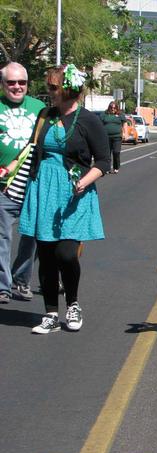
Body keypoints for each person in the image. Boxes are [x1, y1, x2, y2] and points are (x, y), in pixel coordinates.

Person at [19, 65, 110, 334]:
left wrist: (84, 180)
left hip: (74, 192)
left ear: (68, 89)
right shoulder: (44, 116)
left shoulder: (88, 120)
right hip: (43, 187)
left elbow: (104, 161)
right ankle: (49, 313)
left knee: (66, 253)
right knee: (46, 256)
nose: (49, 93)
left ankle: (72, 304)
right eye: (48, 87)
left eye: (53, 87)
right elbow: (31, 150)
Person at [0, 62, 45, 304]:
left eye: (22, 82)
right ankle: (2, 287)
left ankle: (21, 279)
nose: (17, 87)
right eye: (11, 82)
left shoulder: (40, 108)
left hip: (32, 186)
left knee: (31, 236)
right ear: (3, 84)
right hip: (3, 187)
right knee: (2, 238)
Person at [99, 101, 126, 174]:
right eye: (111, 107)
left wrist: (124, 133)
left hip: (117, 137)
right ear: (109, 107)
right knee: (107, 153)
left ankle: (116, 167)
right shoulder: (104, 114)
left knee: (116, 152)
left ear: (117, 108)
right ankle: (107, 168)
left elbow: (124, 124)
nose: (113, 109)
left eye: (114, 108)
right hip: (106, 137)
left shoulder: (120, 115)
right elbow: (100, 124)